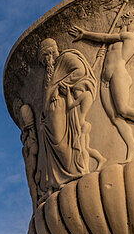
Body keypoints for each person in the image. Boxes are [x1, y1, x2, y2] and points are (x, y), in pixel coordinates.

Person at [69, 8, 134, 159]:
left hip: (118, 74)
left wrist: (85, 34)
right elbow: (108, 46)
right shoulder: (117, 40)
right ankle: (132, 146)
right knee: (114, 117)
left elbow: (104, 37)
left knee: (124, 109)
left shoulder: (128, 36)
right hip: (105, 79)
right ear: (128, 21)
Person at [37, 39, 98, 189]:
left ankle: (74, 172)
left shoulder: (66, 57)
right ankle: (58, 180)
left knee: (60, 142)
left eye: (44, 57)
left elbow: (80, 71)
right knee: (55, 143)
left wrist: (61, 85)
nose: (45, 62)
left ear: (50, 52)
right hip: (50, 114)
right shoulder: (49, 71)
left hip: (61, 107)